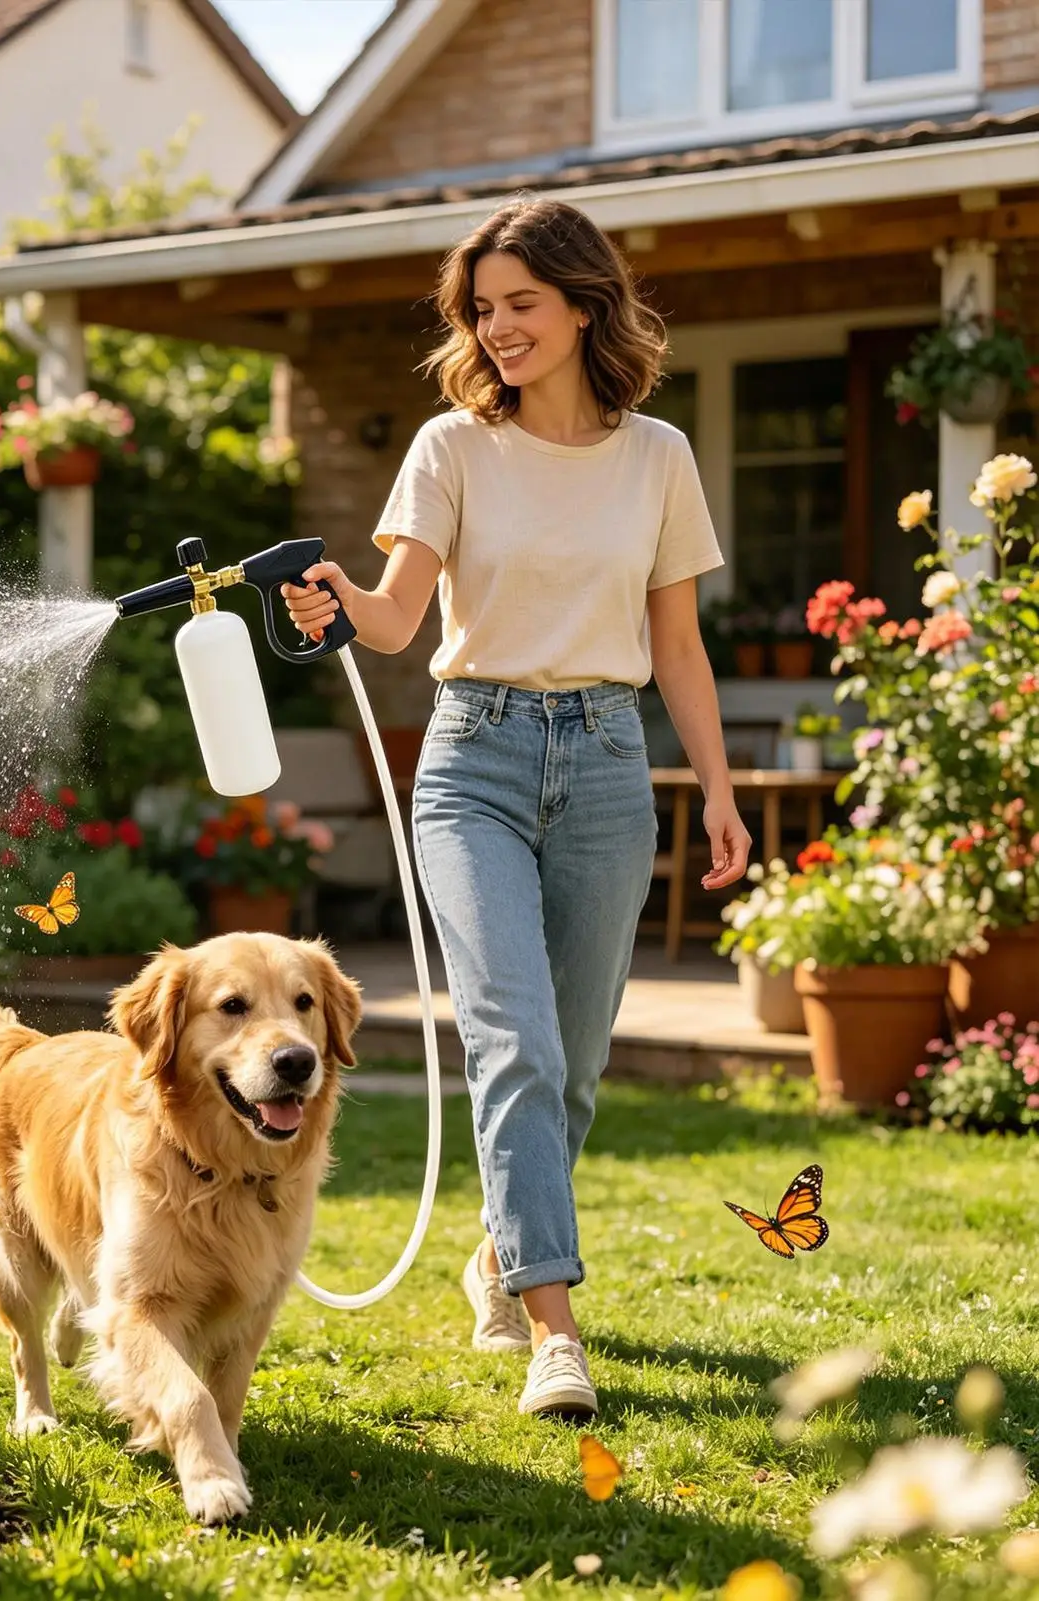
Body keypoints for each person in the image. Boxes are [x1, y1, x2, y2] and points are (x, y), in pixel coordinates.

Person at [282, 196, 751, 1420]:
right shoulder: (448, 446)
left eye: (519, 304)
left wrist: (715, 789)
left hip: (604, 759)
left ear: (583, 303)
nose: (495, 329)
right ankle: (554, 1330)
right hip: (470, 760)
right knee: (513, 1039)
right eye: (480, 309)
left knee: (576, 1062)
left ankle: (498, 1250)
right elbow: (391, 619)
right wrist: (331, 597)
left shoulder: (657, 457)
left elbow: (680, 648)